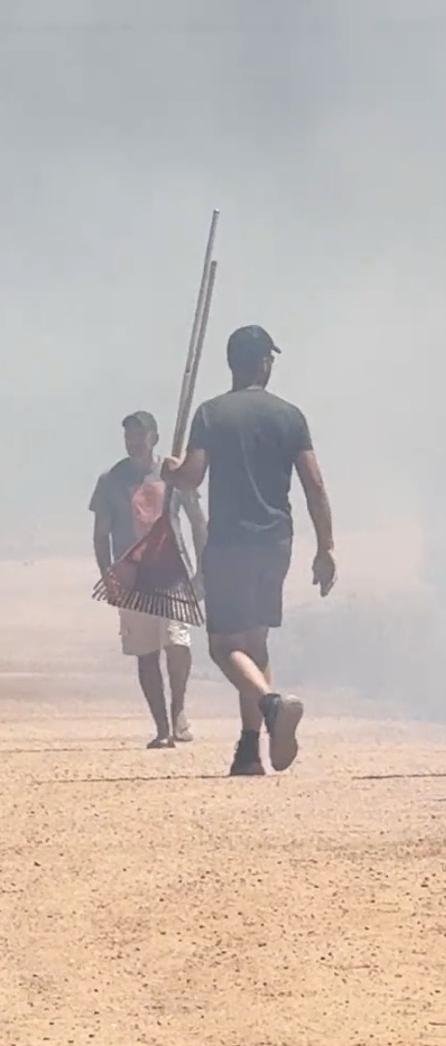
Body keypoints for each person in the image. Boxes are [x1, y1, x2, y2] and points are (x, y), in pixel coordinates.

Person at [160, 325, 334, 777]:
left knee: (222, 646)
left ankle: (270, 705)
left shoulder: (212, 413)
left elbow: (192, 478)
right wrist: (326, 547)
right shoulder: (290, 415)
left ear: (232, 363)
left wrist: (172, 470)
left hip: (231, 541)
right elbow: (314, 485)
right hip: (276, 540)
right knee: (255, 643)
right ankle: (248, 748)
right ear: (262, 363)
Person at [91, 410, 207, 749]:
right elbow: (101, 534)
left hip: (172, 572)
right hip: (131, 577)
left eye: (140, 435)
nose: (134, 442)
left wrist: (202, 571)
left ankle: (179, 711)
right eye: (129, 436)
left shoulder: (173, 474)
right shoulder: (111, 480)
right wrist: (108, 575)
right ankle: (161, 726)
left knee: (177, 641)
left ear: (154, 437)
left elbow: (198, 523)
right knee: (146, 652)